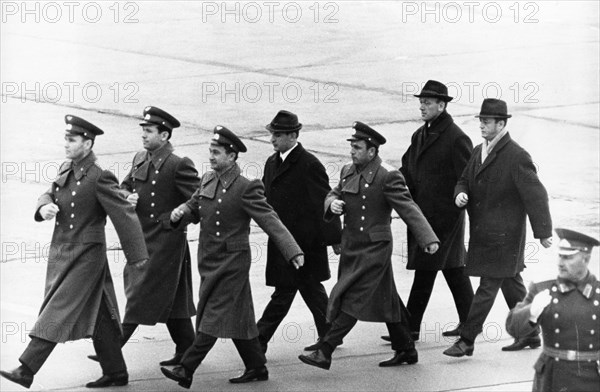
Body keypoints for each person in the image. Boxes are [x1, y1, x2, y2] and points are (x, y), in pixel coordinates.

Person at [0, 115, 149, 389]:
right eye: (65, 139)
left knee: (58, 308)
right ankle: (116, 371)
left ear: (88, 143)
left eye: (72, 140)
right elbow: (49, 193)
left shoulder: (99, 176)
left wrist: (138, 257)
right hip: (65, 251)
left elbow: (123, 214)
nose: (66, 144)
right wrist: (43, 207)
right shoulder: (67, 167)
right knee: (101, 312)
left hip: (87, 255)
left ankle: (26, 368)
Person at [160, 126, 305, 389]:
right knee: (239, 318)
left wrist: (292, 250)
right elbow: (195, 207)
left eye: (216, 153)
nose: (211, 157)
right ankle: (256, 366)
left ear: (232, 155)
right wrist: (181, 212)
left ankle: (186, 367)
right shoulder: (207, 179)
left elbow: (270, 220)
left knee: (213, 315)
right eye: (210, 152)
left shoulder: (246, 187)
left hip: (232, 263)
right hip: (209, 260)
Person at [298, 121, 439, 370]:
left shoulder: (388, 175)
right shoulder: (348, 170)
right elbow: (334, 193)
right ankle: (406, 348)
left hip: (376, 249)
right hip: (353, 247)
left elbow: (408, 208)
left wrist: (428, 239)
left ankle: (325, 350)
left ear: (372, 151)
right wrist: (332, 205)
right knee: (388, 300)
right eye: (351, 146)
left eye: (357, 147)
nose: (352, 151)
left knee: (354, 299)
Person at [443, 98, 553, 357]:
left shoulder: (516, 156)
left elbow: (536, 195)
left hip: (505, 237)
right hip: (484, 234)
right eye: (480, 121)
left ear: (501, 124)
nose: (481, 125)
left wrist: (543, 232)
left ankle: (467, 339)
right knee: (511, 283)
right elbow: (463, 179)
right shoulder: (479, 151)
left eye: (487, 121)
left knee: (487, 285)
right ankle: (529, 334)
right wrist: (460, 194)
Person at [393, 80, 474, 341]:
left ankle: (410, 327)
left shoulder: (456, 137)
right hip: (423, 216)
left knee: (429, 268)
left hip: (445, 218)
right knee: (451, 269)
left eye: (427, 103)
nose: (422, 106)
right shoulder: (421, 134)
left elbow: (466, 178)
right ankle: (470, 322)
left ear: (442, 105)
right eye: (421, 102)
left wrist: (456, 210)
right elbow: (407, 168)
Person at [118, 106, 198, 364]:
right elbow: (122, 187)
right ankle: (187, 348)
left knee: (140, 294)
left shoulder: (179, 164)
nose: (143, 135)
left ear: (164, 136)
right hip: (142, 239)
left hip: (167, 243)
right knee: (174, 301)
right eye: (143, 130)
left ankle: (111, 347)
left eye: (149, 131)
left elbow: (198, 201)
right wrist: (125, 197)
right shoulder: (140, 158)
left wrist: (177, 216)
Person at [256, 110, 342, 353]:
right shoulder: (272, 162)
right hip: (284, 240)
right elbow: (265, 197)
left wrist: (335, 237)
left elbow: (325, 200)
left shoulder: (308, 164)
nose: (273, 138)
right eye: (272, 133)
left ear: (294, 135)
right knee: (311, 291)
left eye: (278, 134)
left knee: (285, 291)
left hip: (305, 242)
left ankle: (258, 340)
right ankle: (332, 333)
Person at [506, 228, 600, 392]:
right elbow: (513, 328)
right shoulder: (543, 289)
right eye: (560, 256)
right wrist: (531, 312)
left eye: (568, 257)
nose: (560, 262)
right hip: (553, 377)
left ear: (586, 259)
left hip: (591, 378)